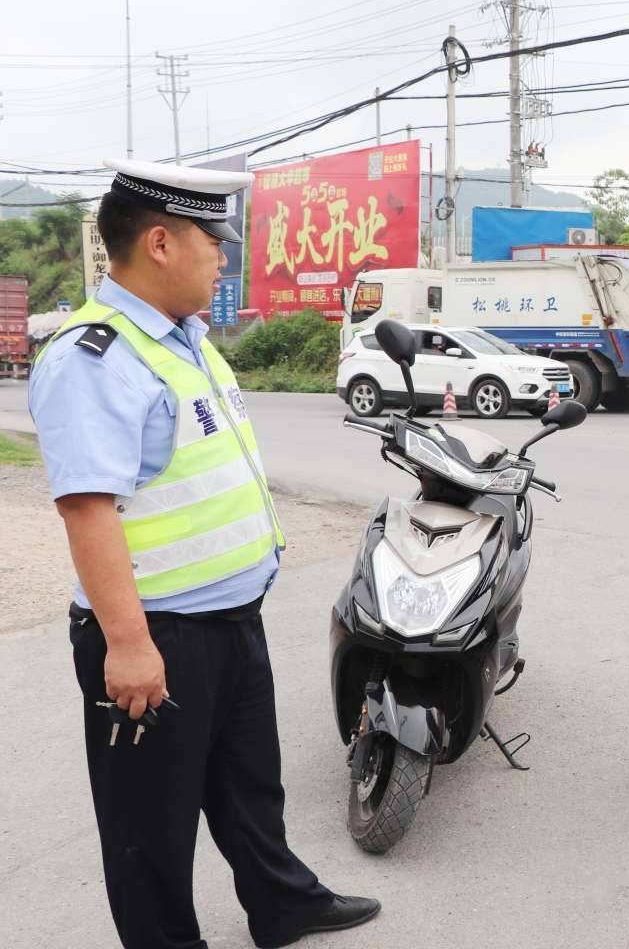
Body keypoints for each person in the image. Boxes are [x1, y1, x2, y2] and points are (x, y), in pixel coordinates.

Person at [28, 159, 381, 948]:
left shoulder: (186, 341)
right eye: (211, 242)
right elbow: (87, 510)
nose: (225, 258)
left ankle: (284, 904)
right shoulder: (97, 358)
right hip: (157, 634)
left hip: (228, 619)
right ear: (159, 242)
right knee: (149, 822)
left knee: (250, 785)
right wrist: (127, 644)